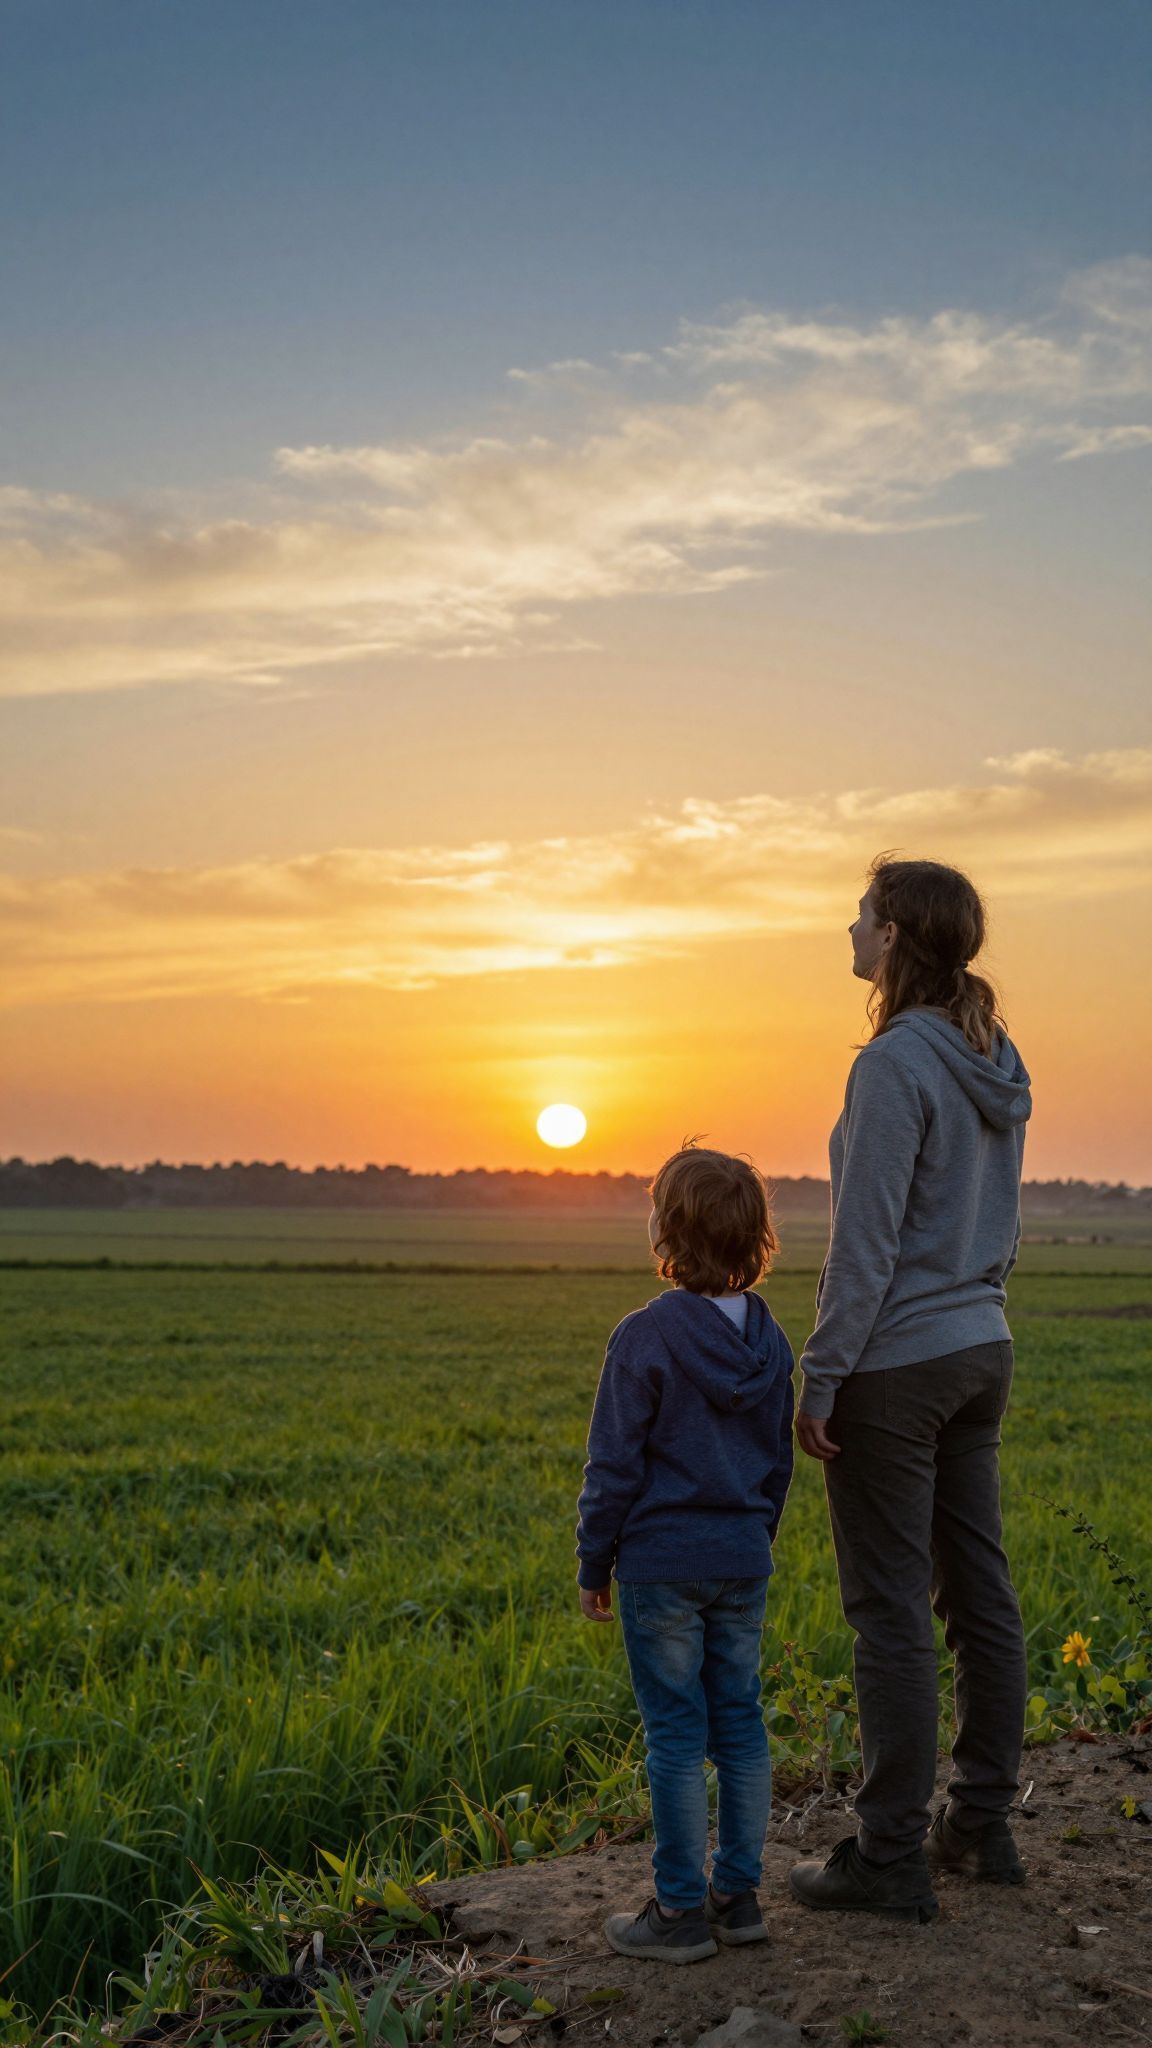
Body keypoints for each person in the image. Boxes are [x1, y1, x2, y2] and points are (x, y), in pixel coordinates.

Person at [789, 856, 1032, 1924]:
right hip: (982, 1346)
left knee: (889, 1609)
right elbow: (1002, 1222)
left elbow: (866, 1241)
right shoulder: (994, 1054)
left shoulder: (894, 1063)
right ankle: (978, 1823)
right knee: (978, 1594)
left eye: (861, 914)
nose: (849, 928)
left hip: (897, 1365)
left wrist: (822, 1373)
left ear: (891, 935)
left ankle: (890, 1853)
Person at [575, 1143, 794, 1964]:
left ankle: (676, 1912)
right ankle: (737, 1900)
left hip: (661, 1565)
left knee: (674, 1734)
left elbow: (612, 1466)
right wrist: (752, 1541)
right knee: (740, 1723)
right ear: (755, 1235)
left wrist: (594, 1562)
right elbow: (778, 1462)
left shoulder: (645, 1337)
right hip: (741, 1558)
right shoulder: (771, 1342)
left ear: (667, 1230)